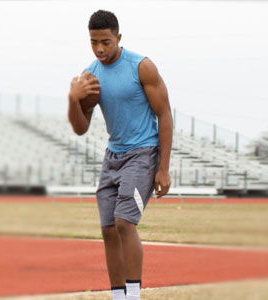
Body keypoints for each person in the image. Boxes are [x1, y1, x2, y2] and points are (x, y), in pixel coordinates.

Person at [67, 9, 173, 300]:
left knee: (125, 223)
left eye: (105, 41)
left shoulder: (142, 67)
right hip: (113, 156)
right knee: (108, 229)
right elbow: (80, 127)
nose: (99, 48)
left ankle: (134, 296)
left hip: (143, 152)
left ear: (118, 38)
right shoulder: (92, 75)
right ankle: (118, 296)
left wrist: (163, 168)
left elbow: (164, 114)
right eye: (93, 42)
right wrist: (72, 99)